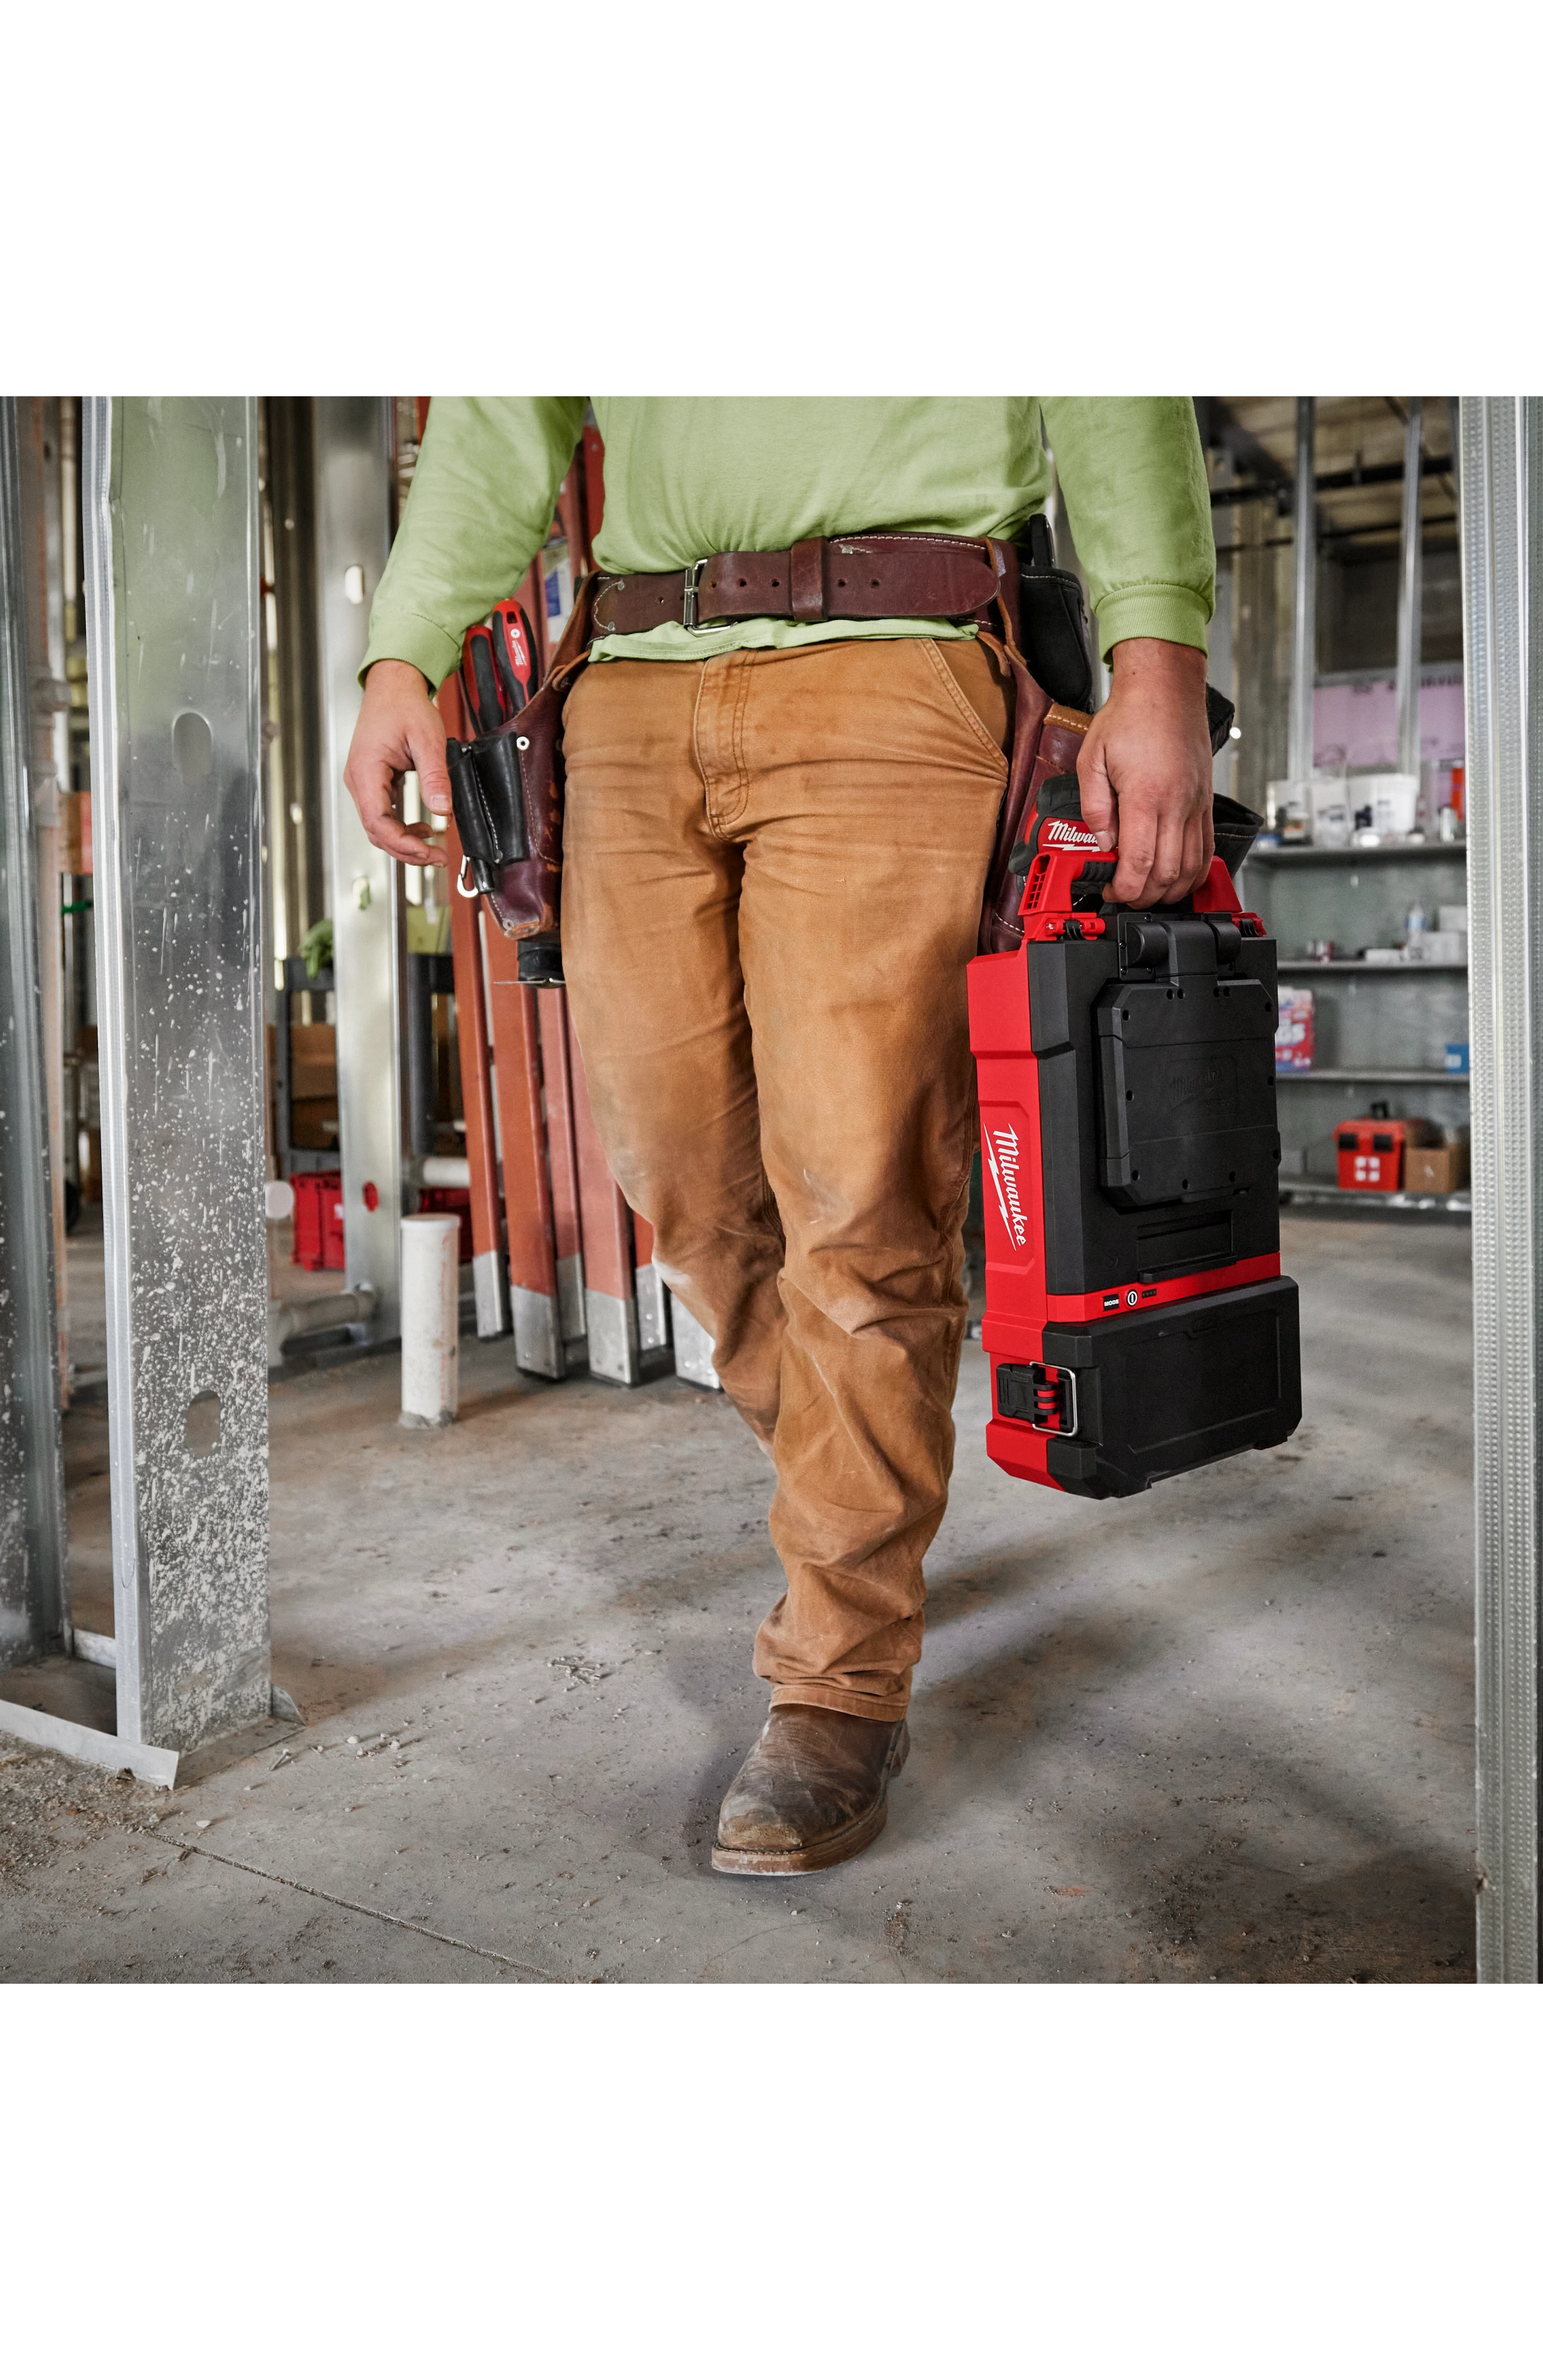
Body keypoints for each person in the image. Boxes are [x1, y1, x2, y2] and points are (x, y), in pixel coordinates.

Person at [343, 397, 1216, 1874]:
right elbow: (502, 416)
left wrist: (1158, 665)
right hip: (624, 686)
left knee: (862, 1209)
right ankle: (856, 1501)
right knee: (685, 1196)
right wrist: (401, 650)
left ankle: (837, 1674)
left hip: (897, 661)